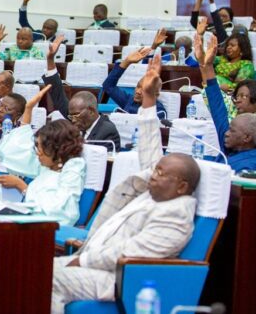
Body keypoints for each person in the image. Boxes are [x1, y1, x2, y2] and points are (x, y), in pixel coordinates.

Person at [51, 54, 201, 312]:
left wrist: (84, 258)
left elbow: (132, 253)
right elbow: (150, 148)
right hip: (93, 262)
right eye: (158, 170)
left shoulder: (176, 215)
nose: (154, 174)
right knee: (28, 265)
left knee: (43, 277)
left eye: (163, 174)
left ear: (182, 187)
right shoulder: (154, 193)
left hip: (117, 280)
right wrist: (150, 101)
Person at [0, 118, 86, 225]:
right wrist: (28, 109)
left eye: (41, 150)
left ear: (56, 150)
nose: (37, 153)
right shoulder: (48, 165)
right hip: (30, 220)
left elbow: (56, 211)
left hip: (52, 227)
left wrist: (21, 186)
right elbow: (14, 152)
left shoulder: (73, 168)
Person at [194, 34, 256, 172]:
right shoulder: (231, 142)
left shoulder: (249, 167)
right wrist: (207, 65)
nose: (226, 133)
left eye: (231, 130)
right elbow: (217, 106)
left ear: (246, 137)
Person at [102, 47, 167, 119]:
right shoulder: (129, 100)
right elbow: (108, 86)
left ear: (156, 95)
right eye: (138, 86)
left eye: (144, 89)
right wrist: (126, 62)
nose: (138, 92)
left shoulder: (159, 111)